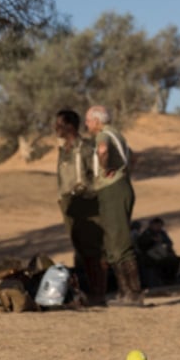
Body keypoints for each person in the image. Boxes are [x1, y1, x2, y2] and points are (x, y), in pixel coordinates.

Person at [84, 105, 144, 306]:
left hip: (112, 191)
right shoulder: (118, 134)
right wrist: (124, 174)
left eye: (88, 120)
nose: (86, 124)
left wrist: (106, 168)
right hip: (120, 187)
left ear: (97, 121)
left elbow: (103, 150)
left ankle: (133, 294)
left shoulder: (104, 135)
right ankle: (125, 292)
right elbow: (133, 157)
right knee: (114, 241)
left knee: (119, 241)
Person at [54, 109, 105, 304]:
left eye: (59, 125)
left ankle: (99, 293)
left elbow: (97, 174)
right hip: (68, 203)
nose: (55, 128)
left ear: (70, 126)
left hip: (87, 200)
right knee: (80, 249)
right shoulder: (62, 150)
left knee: (93, 250)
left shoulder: (85, 147)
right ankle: (88, 291)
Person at [138, 217, 180, 287]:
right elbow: (143, 245)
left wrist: (166, 246)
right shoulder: (146, 234)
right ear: (151, 225)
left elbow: (169, 242)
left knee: (175, 260)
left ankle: (171, 279)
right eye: (157, 225)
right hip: (152, 257)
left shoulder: (162, 233)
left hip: (164, 254)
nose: (158, 227)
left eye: (160, 226)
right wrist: (153, 241)